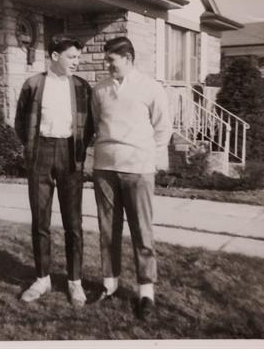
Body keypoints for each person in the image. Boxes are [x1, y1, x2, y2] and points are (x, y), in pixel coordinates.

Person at [91, 36, 173, 320]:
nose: (107, 65)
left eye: (111, 60)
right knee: (107, 230)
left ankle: (146, 293)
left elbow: (163, 127)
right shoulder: (100, 90)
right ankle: (109, 285)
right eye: (107, 60)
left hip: (138, 169)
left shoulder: (151, 88)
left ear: (127, 58)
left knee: (142, 231)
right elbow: (96, 122)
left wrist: (150, 158)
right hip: (104, 169)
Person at [14, 34, 94, 307]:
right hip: (41, 156)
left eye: (78, 58)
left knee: (74, 223)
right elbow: (20, 124)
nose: (76, 63)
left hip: (71, 156)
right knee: (40, 221)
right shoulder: (33, 85)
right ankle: (42, 278)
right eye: (71, 57)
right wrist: (35, 148)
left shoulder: (82, 87)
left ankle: (75, 282)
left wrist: (80, 151)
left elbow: (90, 126)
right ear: (55, 56)